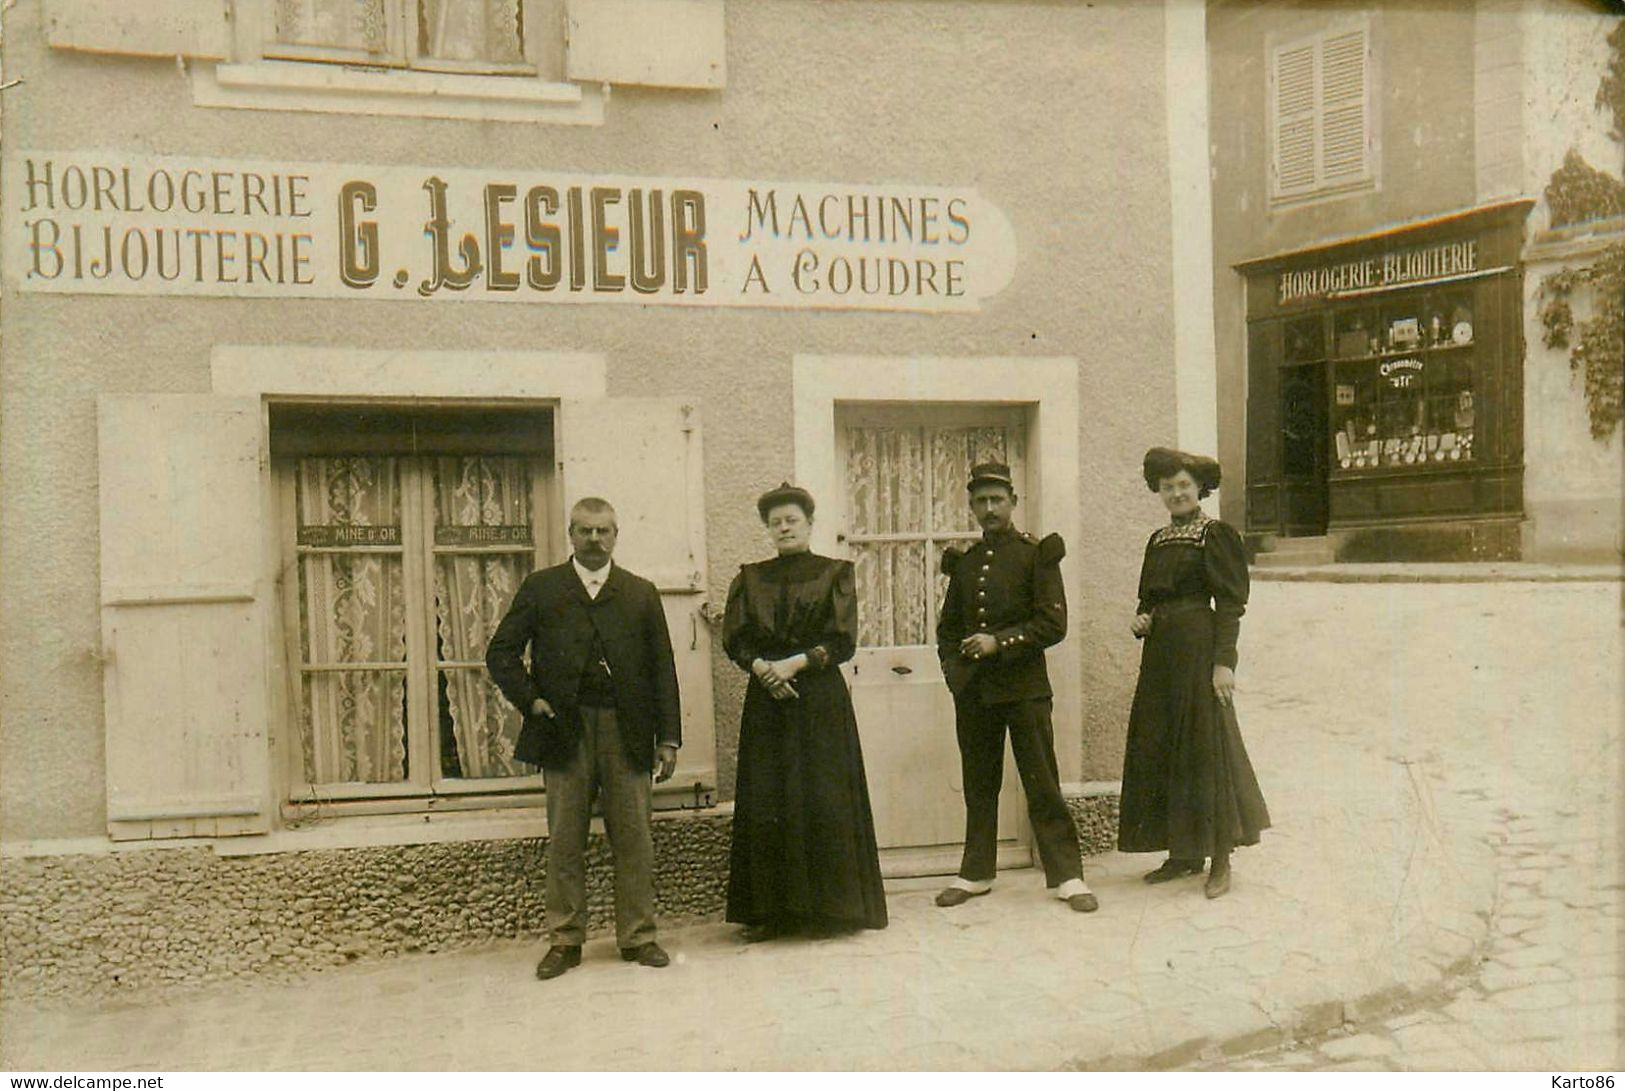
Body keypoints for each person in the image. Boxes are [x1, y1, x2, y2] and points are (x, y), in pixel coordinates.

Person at [485, 497, 682, 979]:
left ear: (616, 535)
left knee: (634, 838)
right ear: (570, 534)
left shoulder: (640, 593)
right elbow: (502, 653)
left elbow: (663, 671)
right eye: (586, 531)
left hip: (627, 730)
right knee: (565, 840)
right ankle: (565, 940)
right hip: (563, 731)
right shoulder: (543, 588)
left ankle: (638, 937)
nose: (595, 540)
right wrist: (531, 701)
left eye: (604, 531)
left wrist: (669, 739)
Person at [722, 483, 888, 938]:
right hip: (768, 699)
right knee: (769, 798)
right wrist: (762, 669)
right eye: (775, 522)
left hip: (817, 698)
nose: (783, 528)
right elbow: (736, 638)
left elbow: (842, 640)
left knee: (823, 795)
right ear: (767, 530)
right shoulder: (750, 577)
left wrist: (792, 665)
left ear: (810, 524)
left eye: (792, 520)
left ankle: (832, 910)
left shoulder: (835, 573)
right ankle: (770, 913)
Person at [934, 462, 1097, 914]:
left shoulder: (1036, 555)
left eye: (997, 499)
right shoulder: (965, 565)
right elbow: (947, 630)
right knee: (978, 785)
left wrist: (998, 643)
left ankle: (1067, 875)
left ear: (1013, 502)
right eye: (981, 501)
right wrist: (954, 675)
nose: (989, 508)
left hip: (1024, 689)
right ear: (972, 506)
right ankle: (976, 873)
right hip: (976, 695)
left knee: (1041, 782)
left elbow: (1053, 624)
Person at [1118, 448, 1270, 899]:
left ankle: (1220, 856)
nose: (1176, 493)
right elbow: (1147, 598)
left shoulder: (1215, 535)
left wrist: (1224, 663)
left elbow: (1229, 605)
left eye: (1183, 485)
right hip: (1161, 655)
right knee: (1164, 742)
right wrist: (1141, 619)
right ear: (1159, 492)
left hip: (1199, 650)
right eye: (1168, 487)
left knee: (1206, 747)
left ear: (1198, 488)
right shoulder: (1157, 540)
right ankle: (1183, 854)